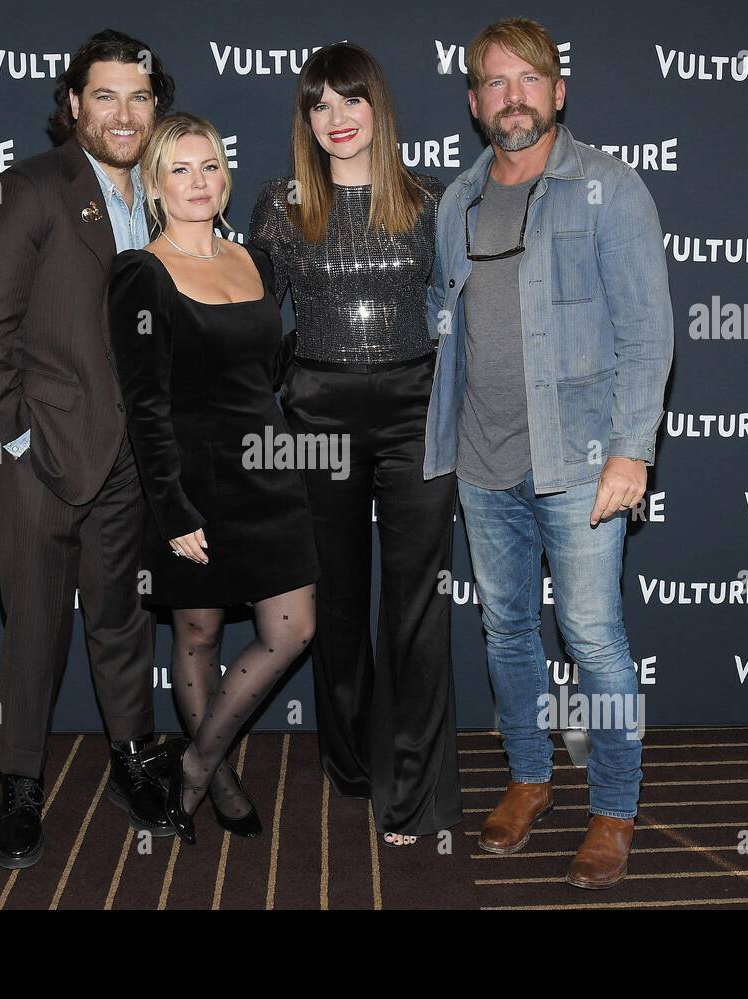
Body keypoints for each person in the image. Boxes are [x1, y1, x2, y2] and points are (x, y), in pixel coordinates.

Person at [423, 18, 674, 887]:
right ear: (474, 103)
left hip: (581, 461)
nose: (513, 96)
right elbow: (447, 329)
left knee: (594, 636)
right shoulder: (455, 201)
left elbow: (648, 331)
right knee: (505, 631)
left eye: (529, 79)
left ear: (557, 91)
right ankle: (529, 779)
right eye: (494, 82)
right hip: (483, 461)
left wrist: (632, 451)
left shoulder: (609, 188)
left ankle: (613, 806)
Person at [0, 29, 179, 869]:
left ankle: (132, 762)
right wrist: (9, 442)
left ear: (158, 107)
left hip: (129, 458)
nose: (124, 113)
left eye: (140, 96)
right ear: (75, 104)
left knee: (121, 619)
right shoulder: (31, 188)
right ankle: (19, 786)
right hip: (42, 452)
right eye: (106, 96)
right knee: (35, 626)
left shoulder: (163, 197)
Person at [249, 42, 461, 847]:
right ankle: (349, 761)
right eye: (319, 104)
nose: (336, 118)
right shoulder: (280, 202)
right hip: (316, 414)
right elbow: (243, 312)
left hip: (416, 405)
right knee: (334, 598)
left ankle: (410, 792)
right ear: (305, 118)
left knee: (415, 604)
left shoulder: (431, 199)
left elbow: (473, 310)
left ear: (379, 106)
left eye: (350, 100)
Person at [108, 111, 319, 845]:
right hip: (190, 480)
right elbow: (145, 405)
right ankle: (220, 775)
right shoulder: (142, 273)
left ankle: (194, 767)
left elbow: (261, 373)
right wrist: (171, 508)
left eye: (210, 166)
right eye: (181, 170)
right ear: (156, 186)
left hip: (267, 471)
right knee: (196, 632)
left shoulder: (256, 259)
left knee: (293, 628)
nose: (200, 182)